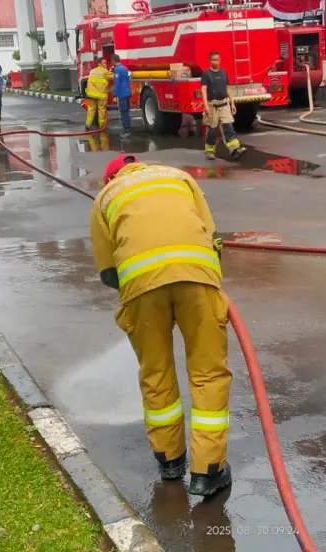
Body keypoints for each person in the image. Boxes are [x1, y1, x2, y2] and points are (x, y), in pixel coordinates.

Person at [89, 154, 233, 497]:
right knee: (208, 373)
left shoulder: (105, 198)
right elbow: (211, 234)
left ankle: (170, 461)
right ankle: (208, 472)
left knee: (156, 371)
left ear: (111, 178)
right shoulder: (178, 177)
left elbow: (108, 274)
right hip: (198, 279)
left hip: (142, 290)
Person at [200, 51, 246, 161]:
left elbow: (228, 88)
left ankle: (235, 149)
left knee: (228, 127)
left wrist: (232, 103)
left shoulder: (223, 73)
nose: (216, 62)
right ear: (210, 61)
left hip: (224, 105)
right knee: (212, 131)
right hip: (212, 106)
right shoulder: (206, 74)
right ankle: (209, 152)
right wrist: (206, 105)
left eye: (217, 59)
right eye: (214, 60)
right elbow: (204, 89)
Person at [84, 60, 112, 130]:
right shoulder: (105, 71)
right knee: (101, 110)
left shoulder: (92, 71)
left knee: (91, 109)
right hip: (100, 95)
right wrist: (112, 70)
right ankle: (102, 126)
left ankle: (87, 124)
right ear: (99, 63)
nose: (105, 64)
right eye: (104, 63)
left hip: (91, 95)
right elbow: (113, 77)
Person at [112, 54, 132, 136]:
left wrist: (115, 95)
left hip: (122, 94)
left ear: (113, 61)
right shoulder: (124, 68)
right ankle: (128, 127)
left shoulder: (117, 70)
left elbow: (117, 83)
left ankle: (126, 130)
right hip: (127, 92)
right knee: (126, 111)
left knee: (123, 112)